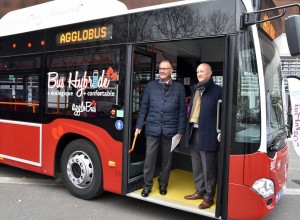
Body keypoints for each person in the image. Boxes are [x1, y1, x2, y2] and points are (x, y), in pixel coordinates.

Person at [135, 60, 186, 197]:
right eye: (160, 68)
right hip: (152, 128)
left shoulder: (179, 88)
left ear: (171, 71)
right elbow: (143, 108)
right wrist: (139, 126)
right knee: (149, 159)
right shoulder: (151, 86)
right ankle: (147, 186)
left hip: (171, 131)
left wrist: (181, 131)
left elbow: (182, 112)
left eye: (165, 68)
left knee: (166, 160)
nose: (162, 71)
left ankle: (163, 184)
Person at [184, 63, 222, 209]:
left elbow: (225, 113)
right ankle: (200, 191)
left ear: (210, 73)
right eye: (198, 71)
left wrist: (221, 131)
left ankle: (209, 196)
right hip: (194, 131)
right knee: (197, 165)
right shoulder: (195, 89)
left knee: (209, 167)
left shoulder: (218, 90)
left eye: (202, 71)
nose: (199, 74)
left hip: (209, 133)